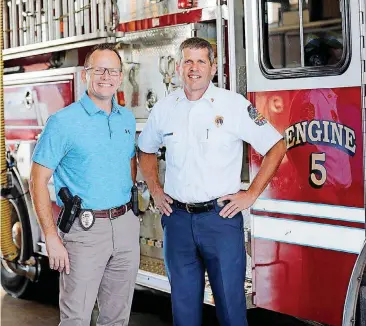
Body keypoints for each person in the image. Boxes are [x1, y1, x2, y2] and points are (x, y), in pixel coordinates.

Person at [137, 37, 286, 326]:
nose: (194, 68)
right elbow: (145, 150)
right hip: (177, 219)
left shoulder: (233, 105)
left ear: (213, 67)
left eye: (201, 61)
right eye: (188, 61)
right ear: (178, 67)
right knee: (184, 313)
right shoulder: (165, 108)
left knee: (231, 310)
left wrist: (251, 194)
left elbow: (276, 146)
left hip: (220, 219)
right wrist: (155, 190)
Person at [29, 43, 140, 326]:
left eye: (112, 71)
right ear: (84, 75)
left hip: (125, 226)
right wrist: (51, 237)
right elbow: (38, 180)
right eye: (98, 70)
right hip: (84, 231)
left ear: (120, 76)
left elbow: (129, 163)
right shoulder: (62, 122)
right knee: (76, 319)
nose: (106, 76)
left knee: (117, 319)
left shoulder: (126, 118)